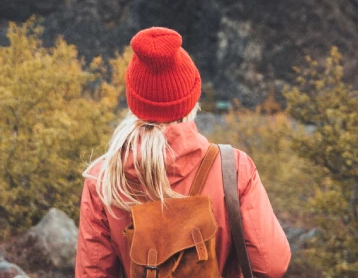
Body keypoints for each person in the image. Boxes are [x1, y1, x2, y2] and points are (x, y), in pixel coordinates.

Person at [75, 27, 290, 277]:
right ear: (192, 99)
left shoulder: (104, 179)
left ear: (134, 101)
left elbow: (92, 273)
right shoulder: (234, 168)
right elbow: (272, 264)